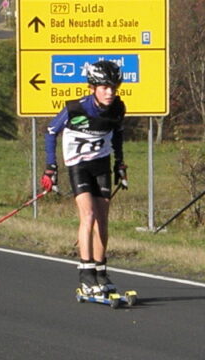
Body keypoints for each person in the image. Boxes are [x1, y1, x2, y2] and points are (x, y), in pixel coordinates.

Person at [42, 60, 128, 297]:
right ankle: (86, 271)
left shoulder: (118, 107)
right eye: (104, 87)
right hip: (78, 165)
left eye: (113, 87)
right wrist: (51, 167)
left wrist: (120, 163)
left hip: (101, 165)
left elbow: (118, 134)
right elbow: (50, 132)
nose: (110, 92)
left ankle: (101, 272)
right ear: (92, 88)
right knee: (88, 215)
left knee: (103, 219)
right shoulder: (75, 108)